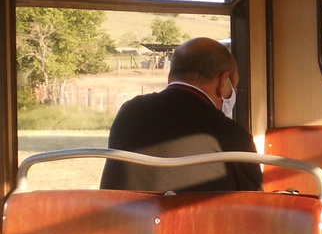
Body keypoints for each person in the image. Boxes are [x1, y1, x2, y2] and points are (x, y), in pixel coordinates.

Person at [100, 37, 263, 192]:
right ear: (223, 81)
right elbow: (254, 205)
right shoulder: (233, 135)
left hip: (124, 219)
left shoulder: (129, 112)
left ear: (171, 75)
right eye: (233, 86)